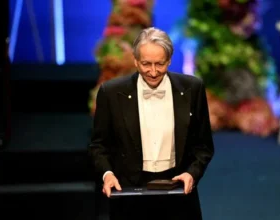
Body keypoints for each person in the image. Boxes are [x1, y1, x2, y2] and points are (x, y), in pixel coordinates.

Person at [88, 27, 214, 220]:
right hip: (129, 193)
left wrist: (192, 174)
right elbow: (99, 145)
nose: (153, 72)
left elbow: (204, 146)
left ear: (169, 61)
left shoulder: (192, 89)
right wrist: (107, 174)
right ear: (136, 61)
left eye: (160, 64)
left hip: (178, 192)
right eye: (146, 64)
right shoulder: (111, 93)